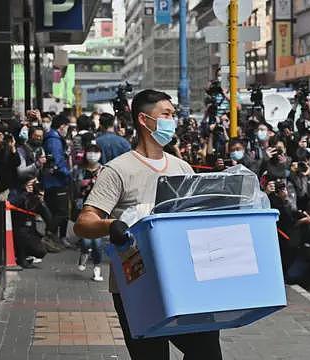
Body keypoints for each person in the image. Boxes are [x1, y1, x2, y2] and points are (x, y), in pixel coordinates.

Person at [74, 89, 222, 360]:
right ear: (144, 120)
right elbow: (84, 222)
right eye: (165, 114)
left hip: (182, 281)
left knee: (207, 352)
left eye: (172, 115)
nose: (172, 121)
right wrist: (111, 225)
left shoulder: (182, 168)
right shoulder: (117, 170)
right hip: (136, 285)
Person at [74, 144, 105, 281]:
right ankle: (84, 253)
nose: (93, 155)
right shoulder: (80, 170)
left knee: (97, 243)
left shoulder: (103, 170)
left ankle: (97, 268)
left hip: (99, 208)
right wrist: (87, 183)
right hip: (84, 207)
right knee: (86, 241)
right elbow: (76, 187)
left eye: (96, 152)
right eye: (90, 152)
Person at [42, 114, 72, 247]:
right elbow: (57, 160)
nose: (67, 130)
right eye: (67, 127)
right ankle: (49, 234)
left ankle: (56, 237)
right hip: (57, 180)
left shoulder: (54, 138)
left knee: (58, 210)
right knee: (62, 212)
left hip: (54, 180)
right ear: (62, 126)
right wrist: (67, 173)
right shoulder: (54, 140)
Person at [8, 177, 49, 268]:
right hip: (16, 228)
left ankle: (24, 255)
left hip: (30, 230)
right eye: (31, 184)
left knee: (41, 251)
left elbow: (48, 218)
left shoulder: (35, 196)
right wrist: (25, 194)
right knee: (22, 234)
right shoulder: (16, 193)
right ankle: (20, 257)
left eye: (35, 183)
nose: (32, 186)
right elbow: (11, 203)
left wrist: (41, 201)